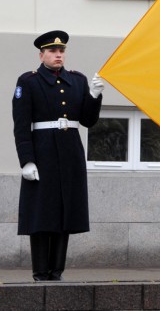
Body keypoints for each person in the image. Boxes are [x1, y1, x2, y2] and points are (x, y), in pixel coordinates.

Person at [12, 30, 103, 281]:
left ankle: (56, 271)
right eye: (52, 51)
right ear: (41, 55)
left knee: (64, 213)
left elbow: (88, 121)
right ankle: (41, 271)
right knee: (42, 213)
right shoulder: (28, 82)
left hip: (70, 152)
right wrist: (27, 160)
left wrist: (94, 96)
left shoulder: (77, 80)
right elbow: (21, 125)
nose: (58, 55)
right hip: (42, 154)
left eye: (61, 51)